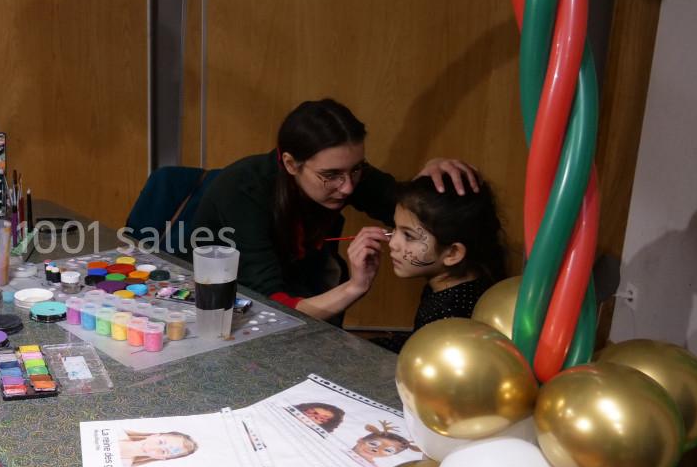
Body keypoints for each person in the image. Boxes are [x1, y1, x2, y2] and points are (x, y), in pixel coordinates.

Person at [189, 99, 478, 322]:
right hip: (228, 308)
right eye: (331, 175)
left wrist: (429, 181)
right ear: (291, 164)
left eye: (356, 169)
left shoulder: (345, 175)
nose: (348, 187)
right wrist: (354, 287)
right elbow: (274, 306)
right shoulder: (243, 191)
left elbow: (412, 211)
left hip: (300, 288)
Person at [373, 175, 508, 353]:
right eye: (395, 228)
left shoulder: (449, 314)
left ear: (453, 253)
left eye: (409, 236)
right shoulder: (455, 285)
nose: (392, 243)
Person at [118, 429, 198, 467]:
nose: (153, 448)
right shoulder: (116, 431)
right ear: (155, 435)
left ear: (161, 458)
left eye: (164, 452)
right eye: (161, 442)